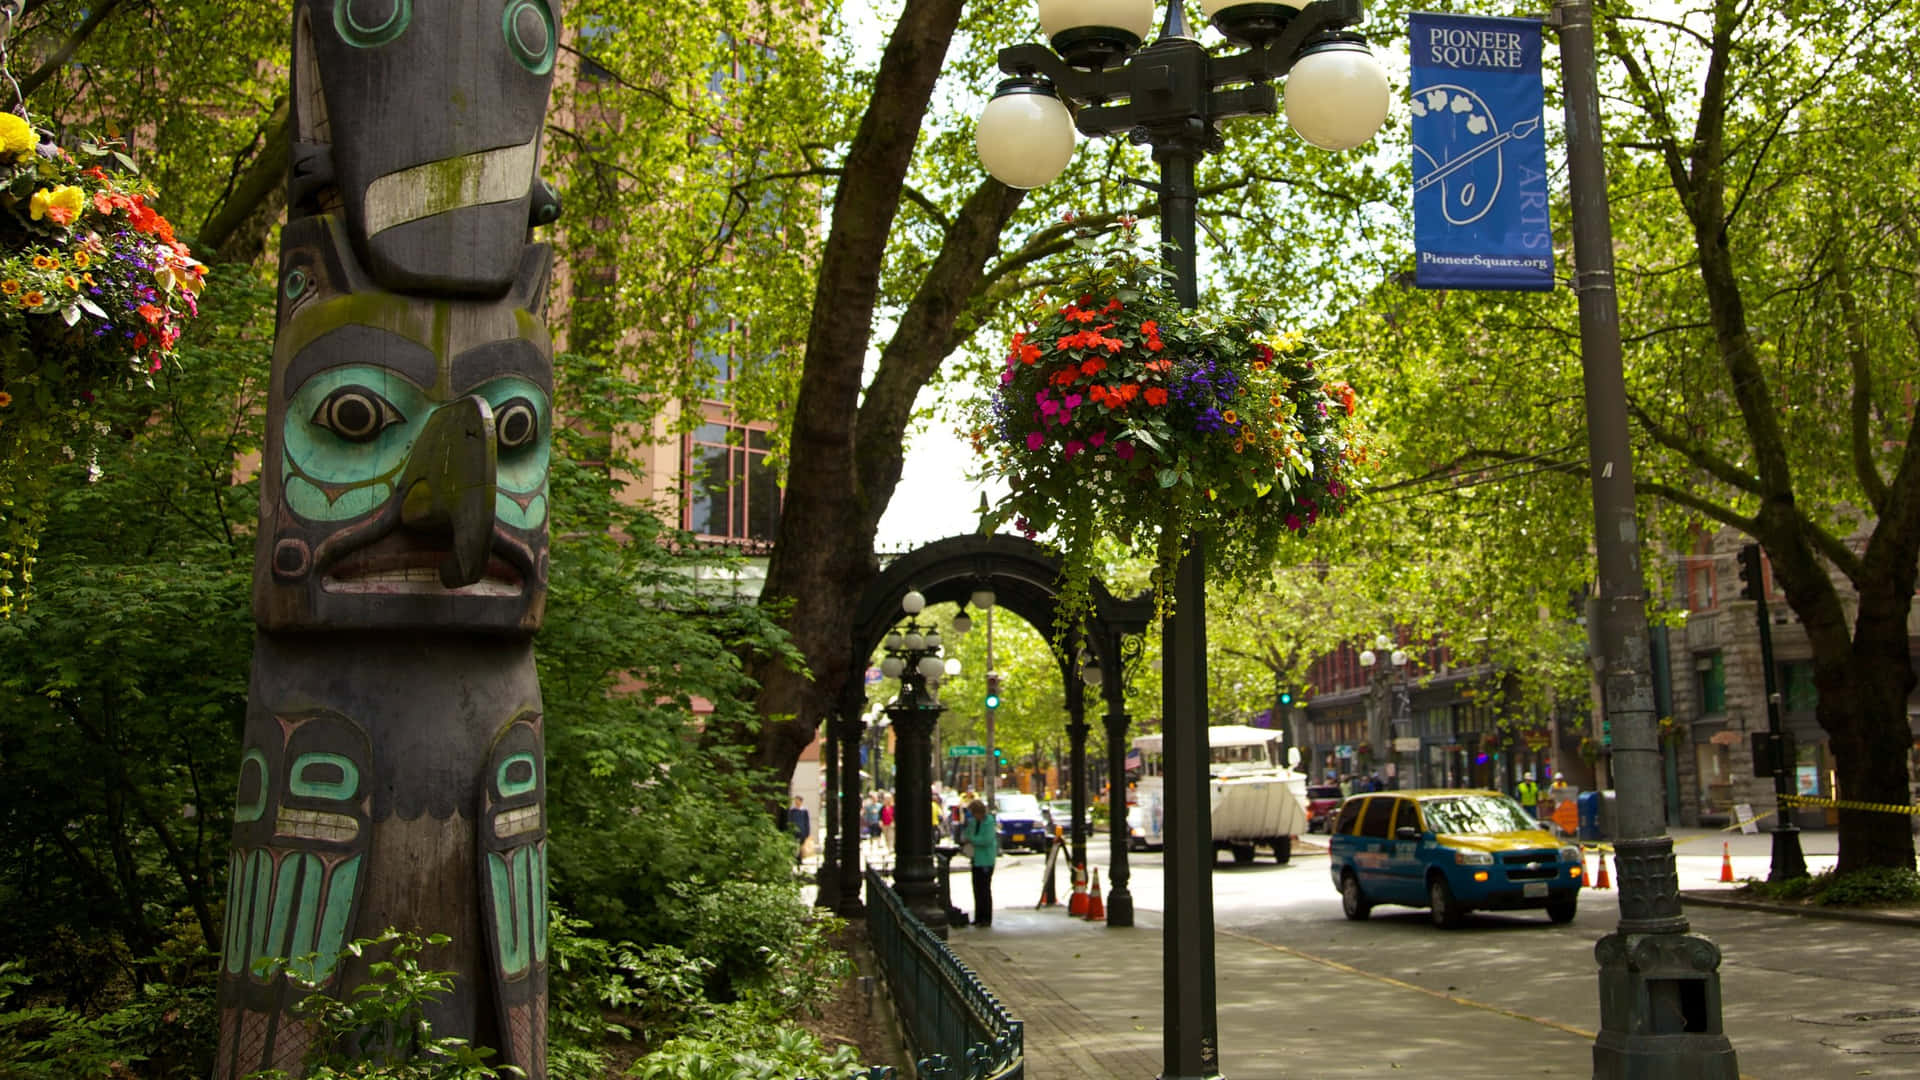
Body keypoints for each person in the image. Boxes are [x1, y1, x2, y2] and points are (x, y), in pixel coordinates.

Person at [959, 798, 1000, 927]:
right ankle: (978, 917)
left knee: (985, 889)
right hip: (976, 859)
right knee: (977, 889)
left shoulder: (988, 823)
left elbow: (986, 840)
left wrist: (972, 839)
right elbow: (966, 835)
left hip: (986, 860)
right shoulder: (973, 823)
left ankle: (986, 918)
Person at [785, 795, 811, 864]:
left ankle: (799, 859)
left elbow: (807, 822)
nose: (796, 802)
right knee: (793, 845)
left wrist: (807, 832)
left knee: (801, 846)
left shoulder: (804, 811)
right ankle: (793, 858)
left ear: (801, 801)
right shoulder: (792, 811)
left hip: (802, 831)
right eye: (795, 800)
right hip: (794, 831)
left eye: (797, 800)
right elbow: (790, 820)